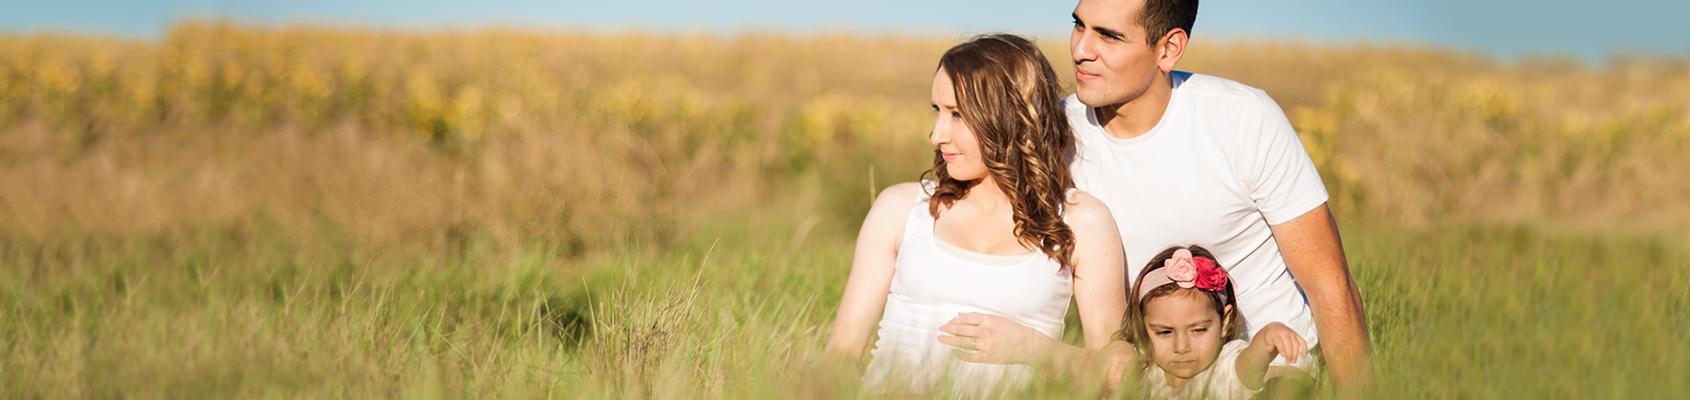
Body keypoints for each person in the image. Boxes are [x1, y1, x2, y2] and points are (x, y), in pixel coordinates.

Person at [937, 0, 1374, 391]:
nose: (1081, 49)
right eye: (1079, 26)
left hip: (1268, 371)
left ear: (1168, 49)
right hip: (1154, 376)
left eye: (1109, 36)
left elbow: (1331, 287)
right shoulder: (1056, 134)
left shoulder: (1244, 119)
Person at [821, 34, 1127, 396]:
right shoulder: (901, 209)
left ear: (1009, 116)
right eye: (937, 111)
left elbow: (1119, 371)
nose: (937, 134)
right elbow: (840, 356)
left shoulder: (1081, 221)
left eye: (957, 115)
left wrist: (1034, 349)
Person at [1119, 245, 1309, 399]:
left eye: (1199, 330)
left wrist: (1268, 336)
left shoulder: (1225, 369)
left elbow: (1251, 362)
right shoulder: (1148, 373)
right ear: (1143, 327)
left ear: (1225, 322)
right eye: (1164, 332)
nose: (1181, 347)